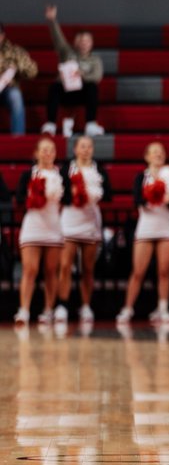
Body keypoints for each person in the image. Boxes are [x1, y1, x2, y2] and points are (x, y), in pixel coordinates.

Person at [116, 142, 169, 325]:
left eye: (161, 152)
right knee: (138, 271)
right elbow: (137, 200)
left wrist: (166, 194)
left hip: (165, 226)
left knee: (164, 271)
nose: (158, 155)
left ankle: (163, 308)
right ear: (147, 156)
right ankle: (127, 308)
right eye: (154, 152)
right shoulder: (141, 177)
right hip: (146, 226)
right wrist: (154, 193)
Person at [57, 135, 111, 325]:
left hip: (90, 221)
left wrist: (93, 194)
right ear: (75, 149)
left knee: (88, 268)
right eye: (82, 146)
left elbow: (108, 194)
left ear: (93, 150)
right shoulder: (66, 169)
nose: (86, 149)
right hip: (70, 220)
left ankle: (86, 305)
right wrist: (72, 194)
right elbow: (59, 192)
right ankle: (62, 304)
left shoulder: (99, 170)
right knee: (65, 266)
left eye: (89, 146)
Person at [14, 136, 65, 325]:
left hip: (54, 226)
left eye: (51, 149)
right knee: (30, 269)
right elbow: (18, 200)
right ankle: (24, 310)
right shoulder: (28, 174)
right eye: (43, 149)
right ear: (36, 153)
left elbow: (67, 201)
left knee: (51, 270)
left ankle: (48, 310)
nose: (47, 153)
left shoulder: (61, 175)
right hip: (33, 225)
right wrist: (31, 196)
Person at [41, 5, 105, 137]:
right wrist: (52, 21)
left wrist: (83, 75)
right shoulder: (67, 52)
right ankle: (50, 124)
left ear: (91, 43)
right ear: (75, 42)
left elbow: (97, 77)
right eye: (81, 40)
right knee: (54, 86)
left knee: (93, 87)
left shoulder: (95, 60)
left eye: (87, 40)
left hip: (83, 93)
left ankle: (91, 124)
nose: (84, 43)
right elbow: (57, 38)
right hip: (65, 91)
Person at [0, 23, 38, 135]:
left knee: (16, 95)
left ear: (2, 36)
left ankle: (18, 139)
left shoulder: (15, 51)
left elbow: (33, 72)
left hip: (8, 89)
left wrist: (19, 66)